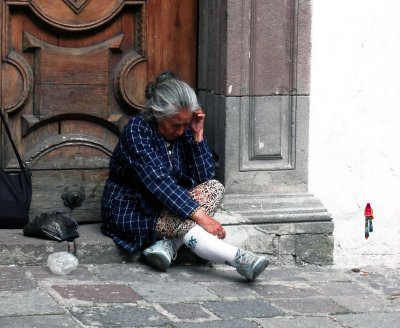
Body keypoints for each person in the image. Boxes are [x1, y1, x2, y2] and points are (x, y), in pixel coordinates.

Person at [101, 71, 269, 281]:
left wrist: (198, 135)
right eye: (175, 125)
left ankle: (169, 245)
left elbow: (205, 178)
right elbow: (158, 181)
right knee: (187, 224)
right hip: (132, 208)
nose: (181, 131)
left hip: (171, 206)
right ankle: (238, 259)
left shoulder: (186, 130)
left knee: (215, 187)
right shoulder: (137, 130)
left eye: (185, 124)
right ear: (156, 114)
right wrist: (201, 217)